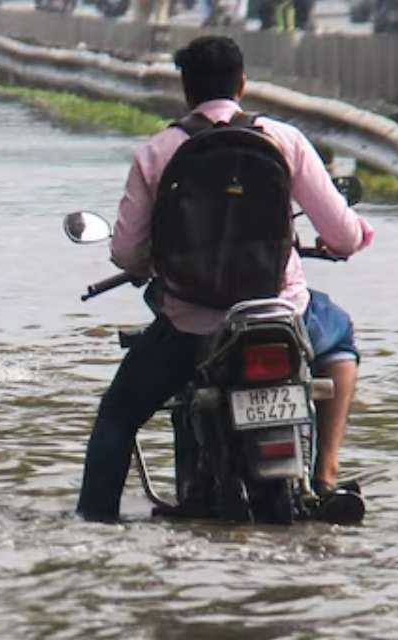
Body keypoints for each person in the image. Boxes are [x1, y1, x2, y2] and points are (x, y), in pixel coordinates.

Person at [76, 36, 373, 523]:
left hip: (193, 326)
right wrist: (348, 241)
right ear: (242, 84)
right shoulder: (284, 140)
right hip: (281, 315)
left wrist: (144, 264)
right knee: (338, 338)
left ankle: (93, 524)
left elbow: (128, 251)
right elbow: (341, 232)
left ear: (186, 91)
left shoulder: (156, 153)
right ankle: (325, 478)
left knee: (117, 415)